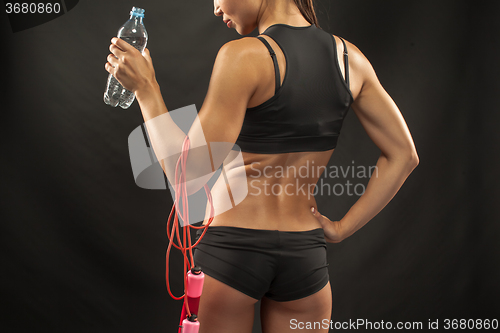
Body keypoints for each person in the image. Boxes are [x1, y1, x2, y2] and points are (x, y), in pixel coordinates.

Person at [105, 0, 419, 332]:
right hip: (305, 259)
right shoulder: (350, 60)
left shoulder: (243, 56)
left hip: (233, 251)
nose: (215, 8)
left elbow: (188, 176)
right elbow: (404, 155)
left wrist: (146, 88)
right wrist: (341, 229)